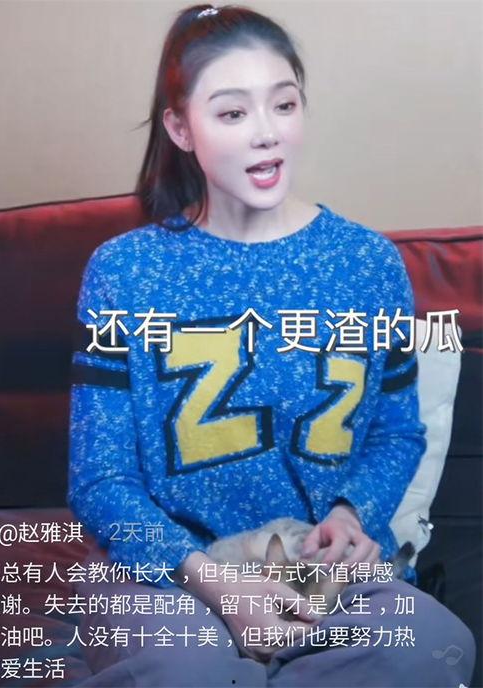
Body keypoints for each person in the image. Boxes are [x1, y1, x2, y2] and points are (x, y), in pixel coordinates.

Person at [68, 4, 476, 687]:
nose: (267, 133)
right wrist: (221, 589)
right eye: (232, 113)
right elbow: (99, 480)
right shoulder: (123, 272)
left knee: (434, 644)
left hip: (315, 571)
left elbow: (395, 430)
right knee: (187, 671)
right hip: (168, 573)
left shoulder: (368, 264)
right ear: (181, 128)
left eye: (283, 105)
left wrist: (351, 513)